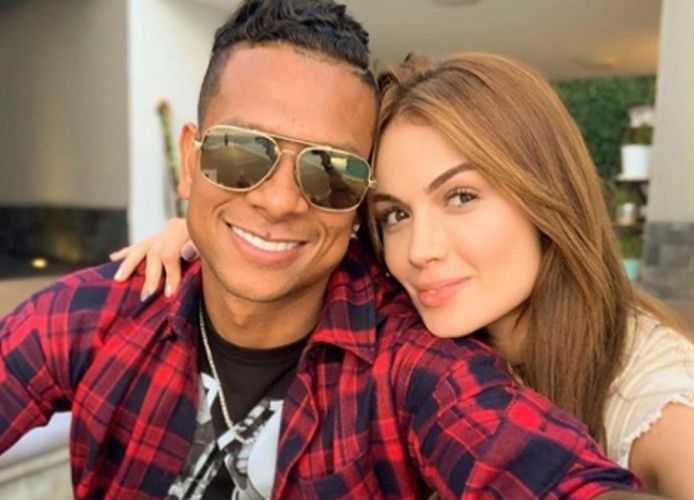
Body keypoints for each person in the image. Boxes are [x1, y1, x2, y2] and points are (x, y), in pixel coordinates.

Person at [1, 1, 653, 498]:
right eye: (241, 153)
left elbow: (542, 468)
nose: (280, 200)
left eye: (330, 172)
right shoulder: (103, 313)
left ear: (357, 204)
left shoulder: (411, 363)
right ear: (190, 161)